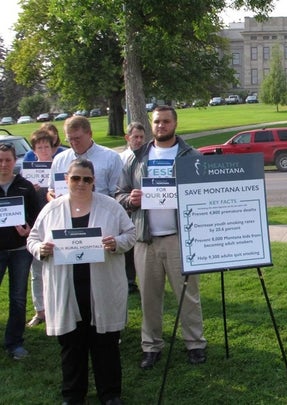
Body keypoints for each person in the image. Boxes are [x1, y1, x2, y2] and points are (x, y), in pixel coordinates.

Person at [27, 158, 135, 405]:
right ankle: (73, 395)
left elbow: (131, 233)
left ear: (93, 181)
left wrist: (116, 243)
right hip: (67, 288)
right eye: (75, 178)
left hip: (101, 286)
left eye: (87, 179)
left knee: (105, 344)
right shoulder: (52, 210)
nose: (81, 183)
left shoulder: (109, 207)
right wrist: (40, 248)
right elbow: (33, 239)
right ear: (67, 179)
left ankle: (110, 394)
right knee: (71, 345)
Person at [116, 105, 207, 369]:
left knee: (187, 295)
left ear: (175, 124)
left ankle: (195, 344)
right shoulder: (136, 157)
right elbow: (119, 193)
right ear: (151, 124)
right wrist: (130, 200)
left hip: (180, 238)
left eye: (166, 121)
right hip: (145, 239)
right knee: (149, 297)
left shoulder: (191, 156)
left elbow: (204, 195)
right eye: (157, 122)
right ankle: (151, 346)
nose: (161, 126)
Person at [0, 143, 41, 360]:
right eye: (0, 160)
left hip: (19, 251)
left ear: (15, 161)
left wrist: (29, 228)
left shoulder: (25, 186)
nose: (4, 164)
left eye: (7, 160)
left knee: (17, 297)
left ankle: (14, 342)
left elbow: (38, 217)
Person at [48, 116, 122, 200]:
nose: (74, 143)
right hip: (66, 210)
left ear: (90, 134)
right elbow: (51, 190)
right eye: (69, 139)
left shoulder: (111, 158)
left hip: (100, 210)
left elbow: (117, 193)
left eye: (77, 138)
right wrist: (53, 198)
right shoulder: (59, 159)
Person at [24, 130, 56, 327]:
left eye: (47, 146)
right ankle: (40, 311)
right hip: (36, 226)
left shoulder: (61, 167)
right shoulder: (26, 174)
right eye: (39, 147)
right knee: (36, 272)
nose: (44, 150)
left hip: (57, 224)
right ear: (34, 150)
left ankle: (57, 308)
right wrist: (30, 189)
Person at [119, 122, 146, 295]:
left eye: (142, 137)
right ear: (127, 138)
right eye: (135, 137)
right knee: (127, 248)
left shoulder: (147, 157)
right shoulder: (121, 158)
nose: (138, 140)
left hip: (140, 209)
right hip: (124, 207)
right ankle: (127, 281)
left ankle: (134, 280)